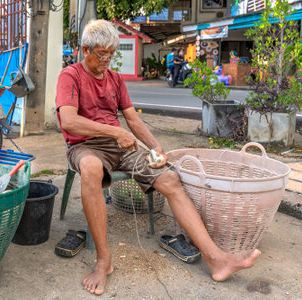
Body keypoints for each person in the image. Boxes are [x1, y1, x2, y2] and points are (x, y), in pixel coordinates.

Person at [55, 20, 260, 296]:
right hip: (86, 146)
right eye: (101, 55)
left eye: (110, 55)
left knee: (170, 179)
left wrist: (156, 147)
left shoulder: (115, 79)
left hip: (120, 146)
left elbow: (132, 120)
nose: (106, 61)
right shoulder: (71, 75)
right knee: (91, 168)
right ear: (85, 50)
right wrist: (114, 132)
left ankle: (217, 258)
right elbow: (68, 121)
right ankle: (103, 261)